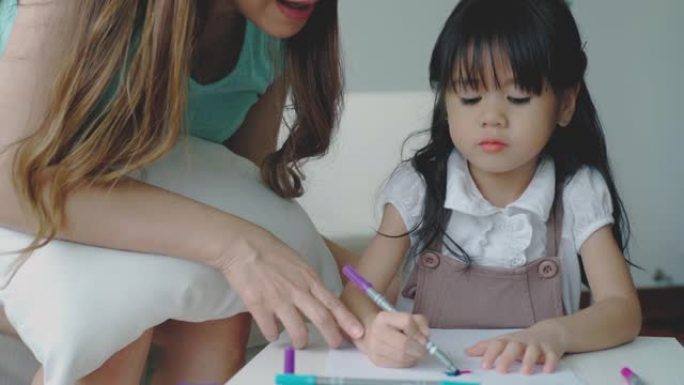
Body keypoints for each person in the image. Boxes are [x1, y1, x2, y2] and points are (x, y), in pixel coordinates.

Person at [0, 0, 364, 384]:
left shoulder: (267, 36)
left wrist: (358, 288)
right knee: (120, 309)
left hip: (92, 219)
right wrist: (236, 246)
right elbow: (9, 186)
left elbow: (246, 201)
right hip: (20, 205)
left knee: (229, 306)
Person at [341, 0, 641, 375]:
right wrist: (373, 331)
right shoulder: (418, 187)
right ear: (446, 102)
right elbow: (356, 294)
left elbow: (623, 310)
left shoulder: (576, 191)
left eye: (517, 98)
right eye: (469, 97)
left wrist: (555, 335)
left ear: (565, 104)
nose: (492, 118)